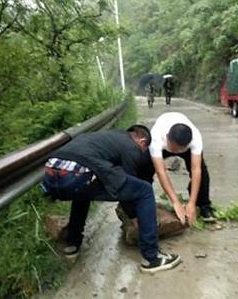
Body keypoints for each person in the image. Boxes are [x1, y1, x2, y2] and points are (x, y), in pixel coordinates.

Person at [41, 125, 180, 273]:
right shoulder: (130, 146)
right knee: (144, 190)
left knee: (84, 192)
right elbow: (127, 186)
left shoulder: (104, 138)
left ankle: (72, 244)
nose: (141, 153)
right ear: (142, 140)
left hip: (50, 173)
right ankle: (152, 258)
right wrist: (133, 215)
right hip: (78, 172)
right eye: (143, 149)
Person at [149, 112, 215, 226]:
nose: (176, 152)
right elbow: (161, 171)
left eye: (180, 150)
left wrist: (192, 203)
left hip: (184, 145)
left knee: (203, 172)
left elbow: (196, 169)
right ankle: (145, 202)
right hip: (162, 144)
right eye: (174, 149)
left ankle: (204, 205)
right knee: (146, 167)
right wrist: (175, 202)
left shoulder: (196, 138)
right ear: (168, 137)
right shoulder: (155, 138)